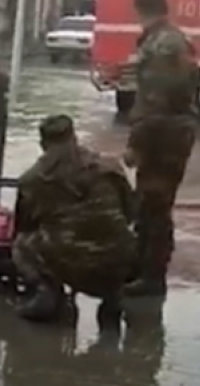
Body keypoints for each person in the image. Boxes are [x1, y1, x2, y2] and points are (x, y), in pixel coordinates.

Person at [12, 115, 137, 325]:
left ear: (43, 144)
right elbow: (130, 212)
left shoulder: (32, 180)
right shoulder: (109, 166)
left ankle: (47, 291)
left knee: (21, 244)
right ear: (74, 137)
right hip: (121, 262)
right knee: (116, 236)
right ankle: (112, 298)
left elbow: (23, 224)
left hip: (72, 265)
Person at [121, 0, 197, 298]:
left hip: (162, 136)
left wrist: (135, 144)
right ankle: (145, 270)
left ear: (141, 9)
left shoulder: (161, 45)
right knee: (151, 205)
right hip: (170, 132)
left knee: (154, 207)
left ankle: (151, 277)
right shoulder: (172, 39)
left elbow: (156, 102)